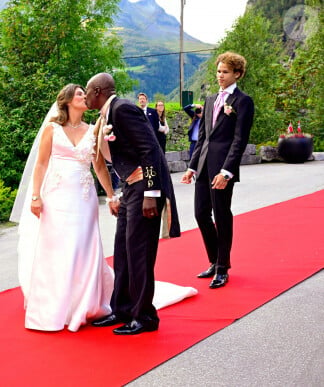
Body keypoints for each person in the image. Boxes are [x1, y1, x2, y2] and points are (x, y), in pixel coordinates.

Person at [15, 84, 118, 332]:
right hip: (56, 198)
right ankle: (55, 304)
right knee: (57, 251)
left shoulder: (93, 130)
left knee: (84, 249)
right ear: (68, 100)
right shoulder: (52, 129)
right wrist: (36, 196)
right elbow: (40, 165)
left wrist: (111, 195)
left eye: (85, 93)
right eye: (80, 94)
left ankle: (84, 305)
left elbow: (100, 167)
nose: (85, 96)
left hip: (84, 199)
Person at [86, 73, 181, 335]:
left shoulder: (123, 108)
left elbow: (149, 149)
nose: (85, 94)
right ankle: (122, 309)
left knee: (139, 252)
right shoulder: (106, 114)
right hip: (130, 187)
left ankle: (145, 317)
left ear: (97, 91)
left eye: (87, 90)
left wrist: (152, 192)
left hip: (144, 186)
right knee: (123, 249)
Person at [180, 52, 254, 289]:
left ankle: (223, 268)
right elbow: (202, 138)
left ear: (237, 74)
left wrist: (227, 172)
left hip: (223, 169)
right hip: (203, 167)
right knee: (201, 214)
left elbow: (239, 140)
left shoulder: (243, 102)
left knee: (222, 216)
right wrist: (191, 167)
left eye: (225, 72)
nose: (220, 76)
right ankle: (214, 260)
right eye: (218, 71)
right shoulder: (211, 100)